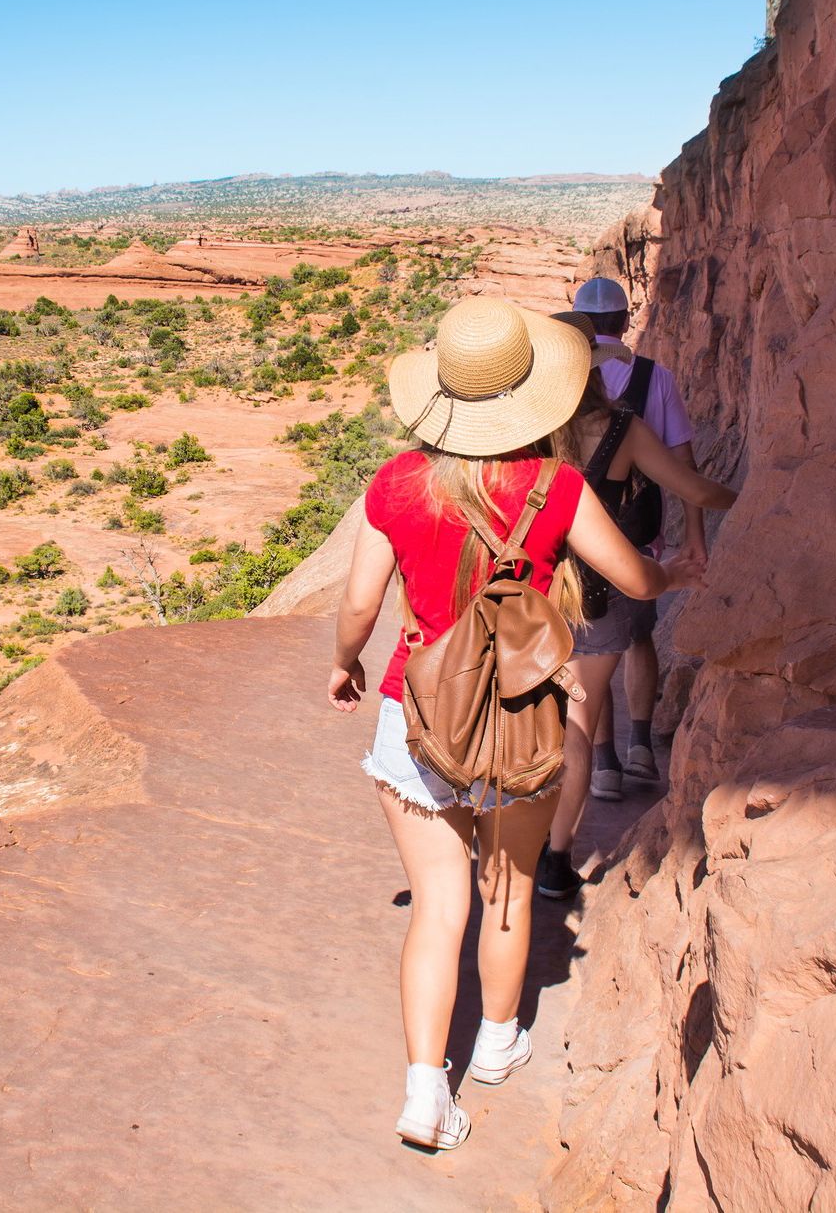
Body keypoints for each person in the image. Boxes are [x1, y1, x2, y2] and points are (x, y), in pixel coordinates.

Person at [328, 297, 703, 1151]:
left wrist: (344, 666)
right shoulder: (557, 484)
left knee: (437, 904)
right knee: (507, 886)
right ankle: (496, 1041)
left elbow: (357, 606)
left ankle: (426, 1093)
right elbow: (634, 582)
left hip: (415, 708)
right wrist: (676, 571)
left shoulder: (396, 483)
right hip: (521, 713)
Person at [534, 331, 736, 900]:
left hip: (531, 588)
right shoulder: (621, 429)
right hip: (597, 588)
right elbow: (690, 486)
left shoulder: (526, 429)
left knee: (527, 714)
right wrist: (749, 499)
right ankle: (554, 860)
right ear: (597, 371)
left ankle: (510, 836)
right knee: (579, 718)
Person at [568, 276, 708, 794]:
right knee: (637, 635)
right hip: (639, 528)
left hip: (577, 534)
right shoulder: (655, 378)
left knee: (589, 648)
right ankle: (641, 746)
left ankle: (602, 761)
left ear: (580, 324)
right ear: (625, 321)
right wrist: (695, 535)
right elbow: (683, 459)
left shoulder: (567, 378)